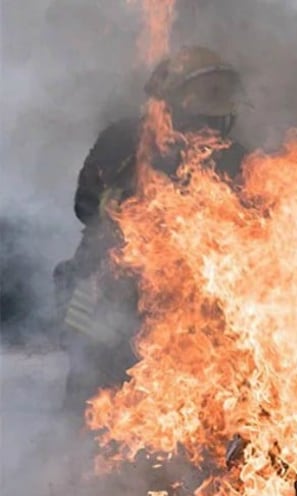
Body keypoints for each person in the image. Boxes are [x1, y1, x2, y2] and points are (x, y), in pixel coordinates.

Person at [57, 45, 247, 414]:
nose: (210, 125)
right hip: (107, 280)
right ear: (172, 102)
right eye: (203, 106)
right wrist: (115, 207)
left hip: (185, 292)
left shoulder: (235, 156)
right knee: (94, 379)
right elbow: (84, 205)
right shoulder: (123, 141)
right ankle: (75, 444)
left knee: (184, 386)